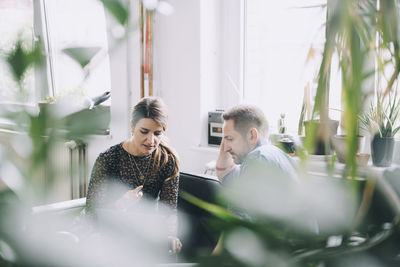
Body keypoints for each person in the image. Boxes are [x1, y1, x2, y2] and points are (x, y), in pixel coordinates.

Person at [85, 96, 182, 254]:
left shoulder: (167, 161)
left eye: (157, 133)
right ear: (132, 126)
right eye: (144, 131)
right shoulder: (108, 159)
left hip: (146, 236)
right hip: (109, 234)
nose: (151, 140)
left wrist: (170, 235)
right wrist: (120, 204)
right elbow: (91, 212)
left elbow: (168, 211)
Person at [216, 104, 298, 185]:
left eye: (230, 139)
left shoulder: (257, 159)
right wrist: (226, 135)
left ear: (252, 135)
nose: (225, 148)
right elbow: (226, 176)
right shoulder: (277, 154)